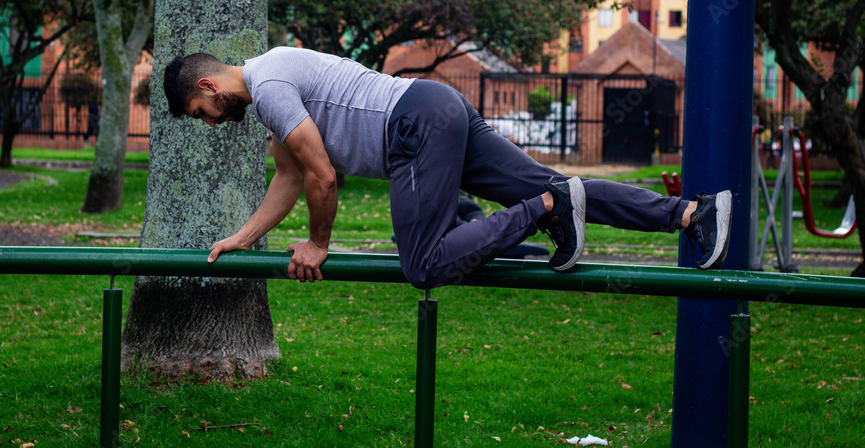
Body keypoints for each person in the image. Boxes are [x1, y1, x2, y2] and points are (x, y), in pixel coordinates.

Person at [164, 47, 732, 289]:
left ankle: (548, 211)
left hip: (414, 128)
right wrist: (242, 237)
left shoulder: (268, 86)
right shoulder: (273, 89)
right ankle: (691, 213)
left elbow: (322, 177)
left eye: (201, 111)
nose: (211, 122)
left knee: (425, 265)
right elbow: (288, 177)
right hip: (434, 109)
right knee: (555, 180)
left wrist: (317, 243)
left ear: (210, 85)